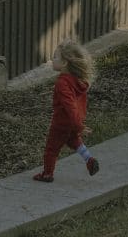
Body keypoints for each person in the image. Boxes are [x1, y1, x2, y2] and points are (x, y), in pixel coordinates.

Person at [33, 39, 100, 183]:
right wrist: (78, 123)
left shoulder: (62, 83)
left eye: (55, 57)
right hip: (74, 121)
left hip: (63, 122)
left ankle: (47, 174)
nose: (52, 59)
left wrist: (78, 125)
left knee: (52, 148)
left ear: (65, 63)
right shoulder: (77, 81)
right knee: (74, 141)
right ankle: (89, 159)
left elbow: (70, 105)